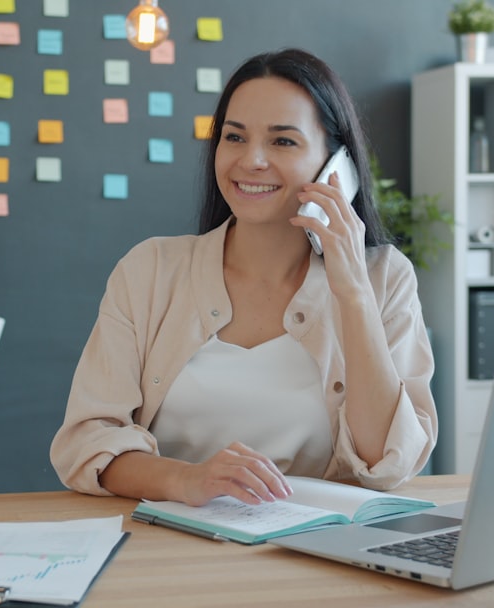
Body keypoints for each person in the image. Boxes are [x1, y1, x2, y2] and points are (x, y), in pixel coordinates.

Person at [50, 49, 437, 507]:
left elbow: (385, 465)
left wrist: (353, 292)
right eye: (234, 137)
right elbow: (87, 442)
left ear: (337, 167)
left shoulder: (384, 279)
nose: (251, 160)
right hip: (164, 550)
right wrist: (188, 480)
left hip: (315, 552)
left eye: (283, 142)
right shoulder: (150, 270)